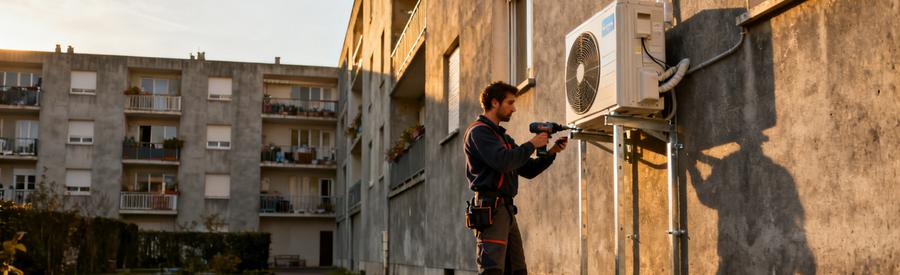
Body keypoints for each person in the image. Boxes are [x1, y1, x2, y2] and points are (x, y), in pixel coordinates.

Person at [464, 81, 568, 275]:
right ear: (495, 103)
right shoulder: (478, 132)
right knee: (492, 270)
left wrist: (552, 151)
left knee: (517, 269)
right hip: (491, 208)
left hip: (507, 210)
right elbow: (503, 161)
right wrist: (532, 144)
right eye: (510, 103)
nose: (514, 108)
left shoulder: (503, 138)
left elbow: (527, 169)